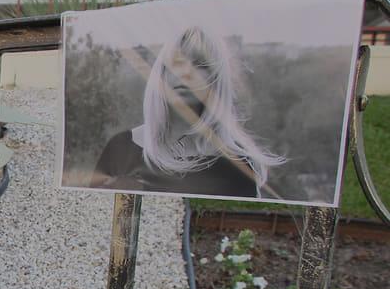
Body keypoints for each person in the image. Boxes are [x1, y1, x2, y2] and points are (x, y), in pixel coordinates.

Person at [93, 26, 285, 198]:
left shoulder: (237, 167)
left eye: (200, 64)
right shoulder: (121, 149)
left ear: (216, 81)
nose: (186, 72)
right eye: (177, 62)